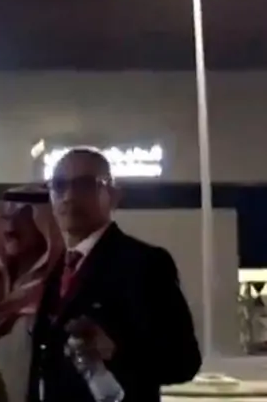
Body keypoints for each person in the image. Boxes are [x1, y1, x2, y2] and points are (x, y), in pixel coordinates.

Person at [27, 148, 202, 402]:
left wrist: (116, 350)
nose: (69, 196)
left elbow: (183, 362)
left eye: (85, 185)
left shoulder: (144, 264)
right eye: (60, 185)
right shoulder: (54, 269)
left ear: (114, 195)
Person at [0, 186, 63, 402]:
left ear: (44, 223)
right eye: (6, 217)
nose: (10, 227)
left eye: (23, 217)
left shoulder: (63, 284)